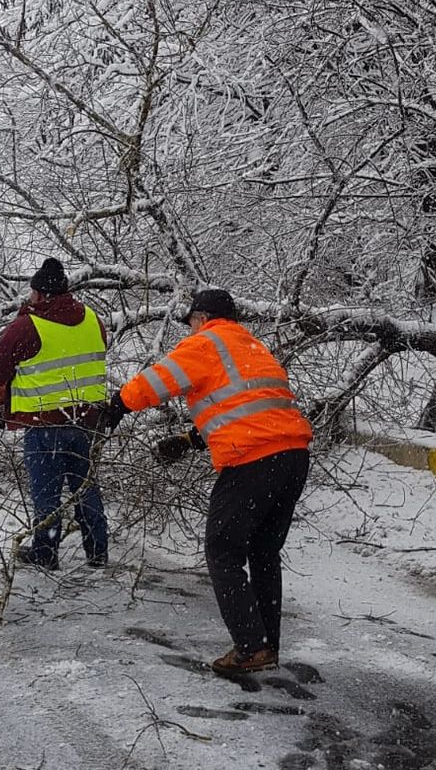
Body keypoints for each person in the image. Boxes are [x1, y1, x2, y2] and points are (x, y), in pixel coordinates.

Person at [101, 288, 312, 674]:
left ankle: (251, 647)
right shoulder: (252, 348)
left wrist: (119, 404)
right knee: (264, 552)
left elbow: (161, 379)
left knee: (222, 550)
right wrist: (189, 440)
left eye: (191, 322)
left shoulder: (207, 341)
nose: (190, 329)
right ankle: (266, 646)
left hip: (254, 458)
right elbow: (251, 408)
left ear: (202, 317)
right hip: (293, 456)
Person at [0, 257, 110, 571]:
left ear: (40, 293)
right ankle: (97, 552)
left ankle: (46, 554)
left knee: (46, 495)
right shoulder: (93, 319)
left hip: (45, 424)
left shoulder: (28, 326)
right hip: (88, 421)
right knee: (86, 489)